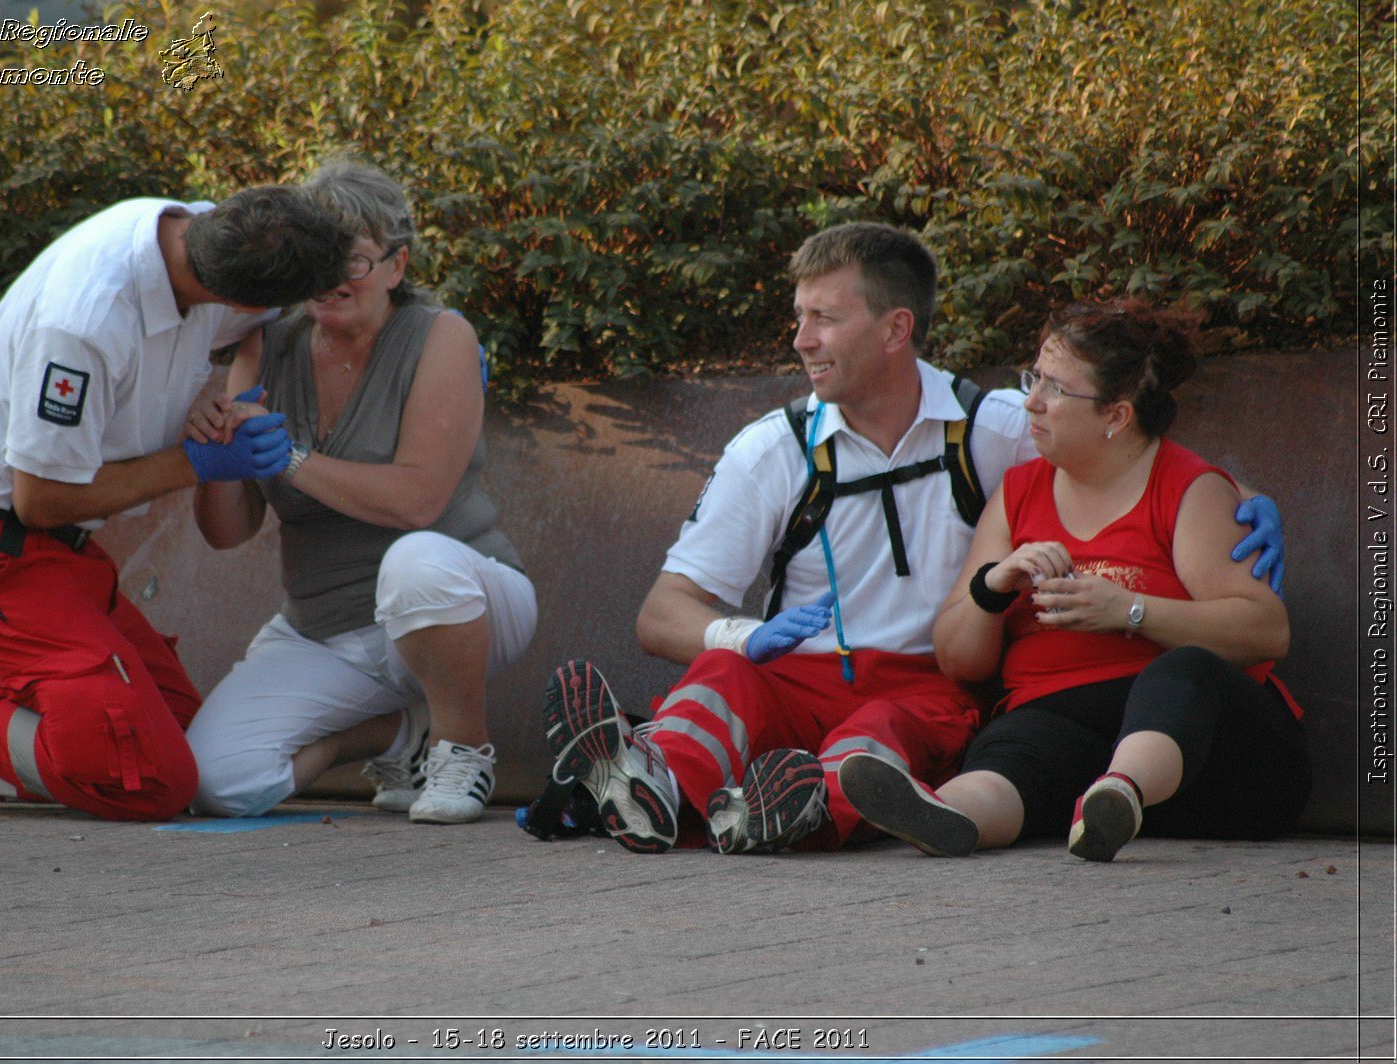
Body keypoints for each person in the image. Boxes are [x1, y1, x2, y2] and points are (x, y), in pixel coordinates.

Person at [541, 223, 1287, 856]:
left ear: (897, 328)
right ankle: (651, 784)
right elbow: (662, 612)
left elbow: (1123, 454)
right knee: (720, 676)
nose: (801, 340)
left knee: (882, 729)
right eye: (800, 316)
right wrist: (746, 635)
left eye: (824, 319)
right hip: (800, 675)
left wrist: (1245, 499)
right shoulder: (771, 450)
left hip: (928, 685)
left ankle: (779, 812)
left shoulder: (993, 428)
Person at [0, 186, 351, 821]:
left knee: (192, 751)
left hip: (59, 559)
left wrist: (228, 398)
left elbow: (256, 329)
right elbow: (40, 500)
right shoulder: (83, 321)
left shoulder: (202, 235)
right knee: (148, 779)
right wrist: (194, 462)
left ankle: (48, 720)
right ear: (238, 292)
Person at [841, 299, 1310, 861]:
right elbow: (959, 661)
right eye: (1034, 379)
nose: (1031, 402)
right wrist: (993, 588)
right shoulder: (1019, 493)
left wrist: (1130, 610)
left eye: (1056, 389)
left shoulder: (1189, 488)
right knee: (1017, 740)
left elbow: (1265, 630)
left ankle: (1122, 792)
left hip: (1219, 767)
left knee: (1181, 674)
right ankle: (949, 813)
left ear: (1116, 415)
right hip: (1069, 739)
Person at [182, 158, 536, 825]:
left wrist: (286, 455)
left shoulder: (442, 335)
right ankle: (396, 734)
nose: (330, 281)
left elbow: (417, 501)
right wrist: (213, 462)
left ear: (397, 267)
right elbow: (229, 532)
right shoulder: (267, 345)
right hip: (324, 629)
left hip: (466, 600)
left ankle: (461, 749)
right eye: (315, 261)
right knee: (217, 781)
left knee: (416, 564)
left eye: (353, 263)